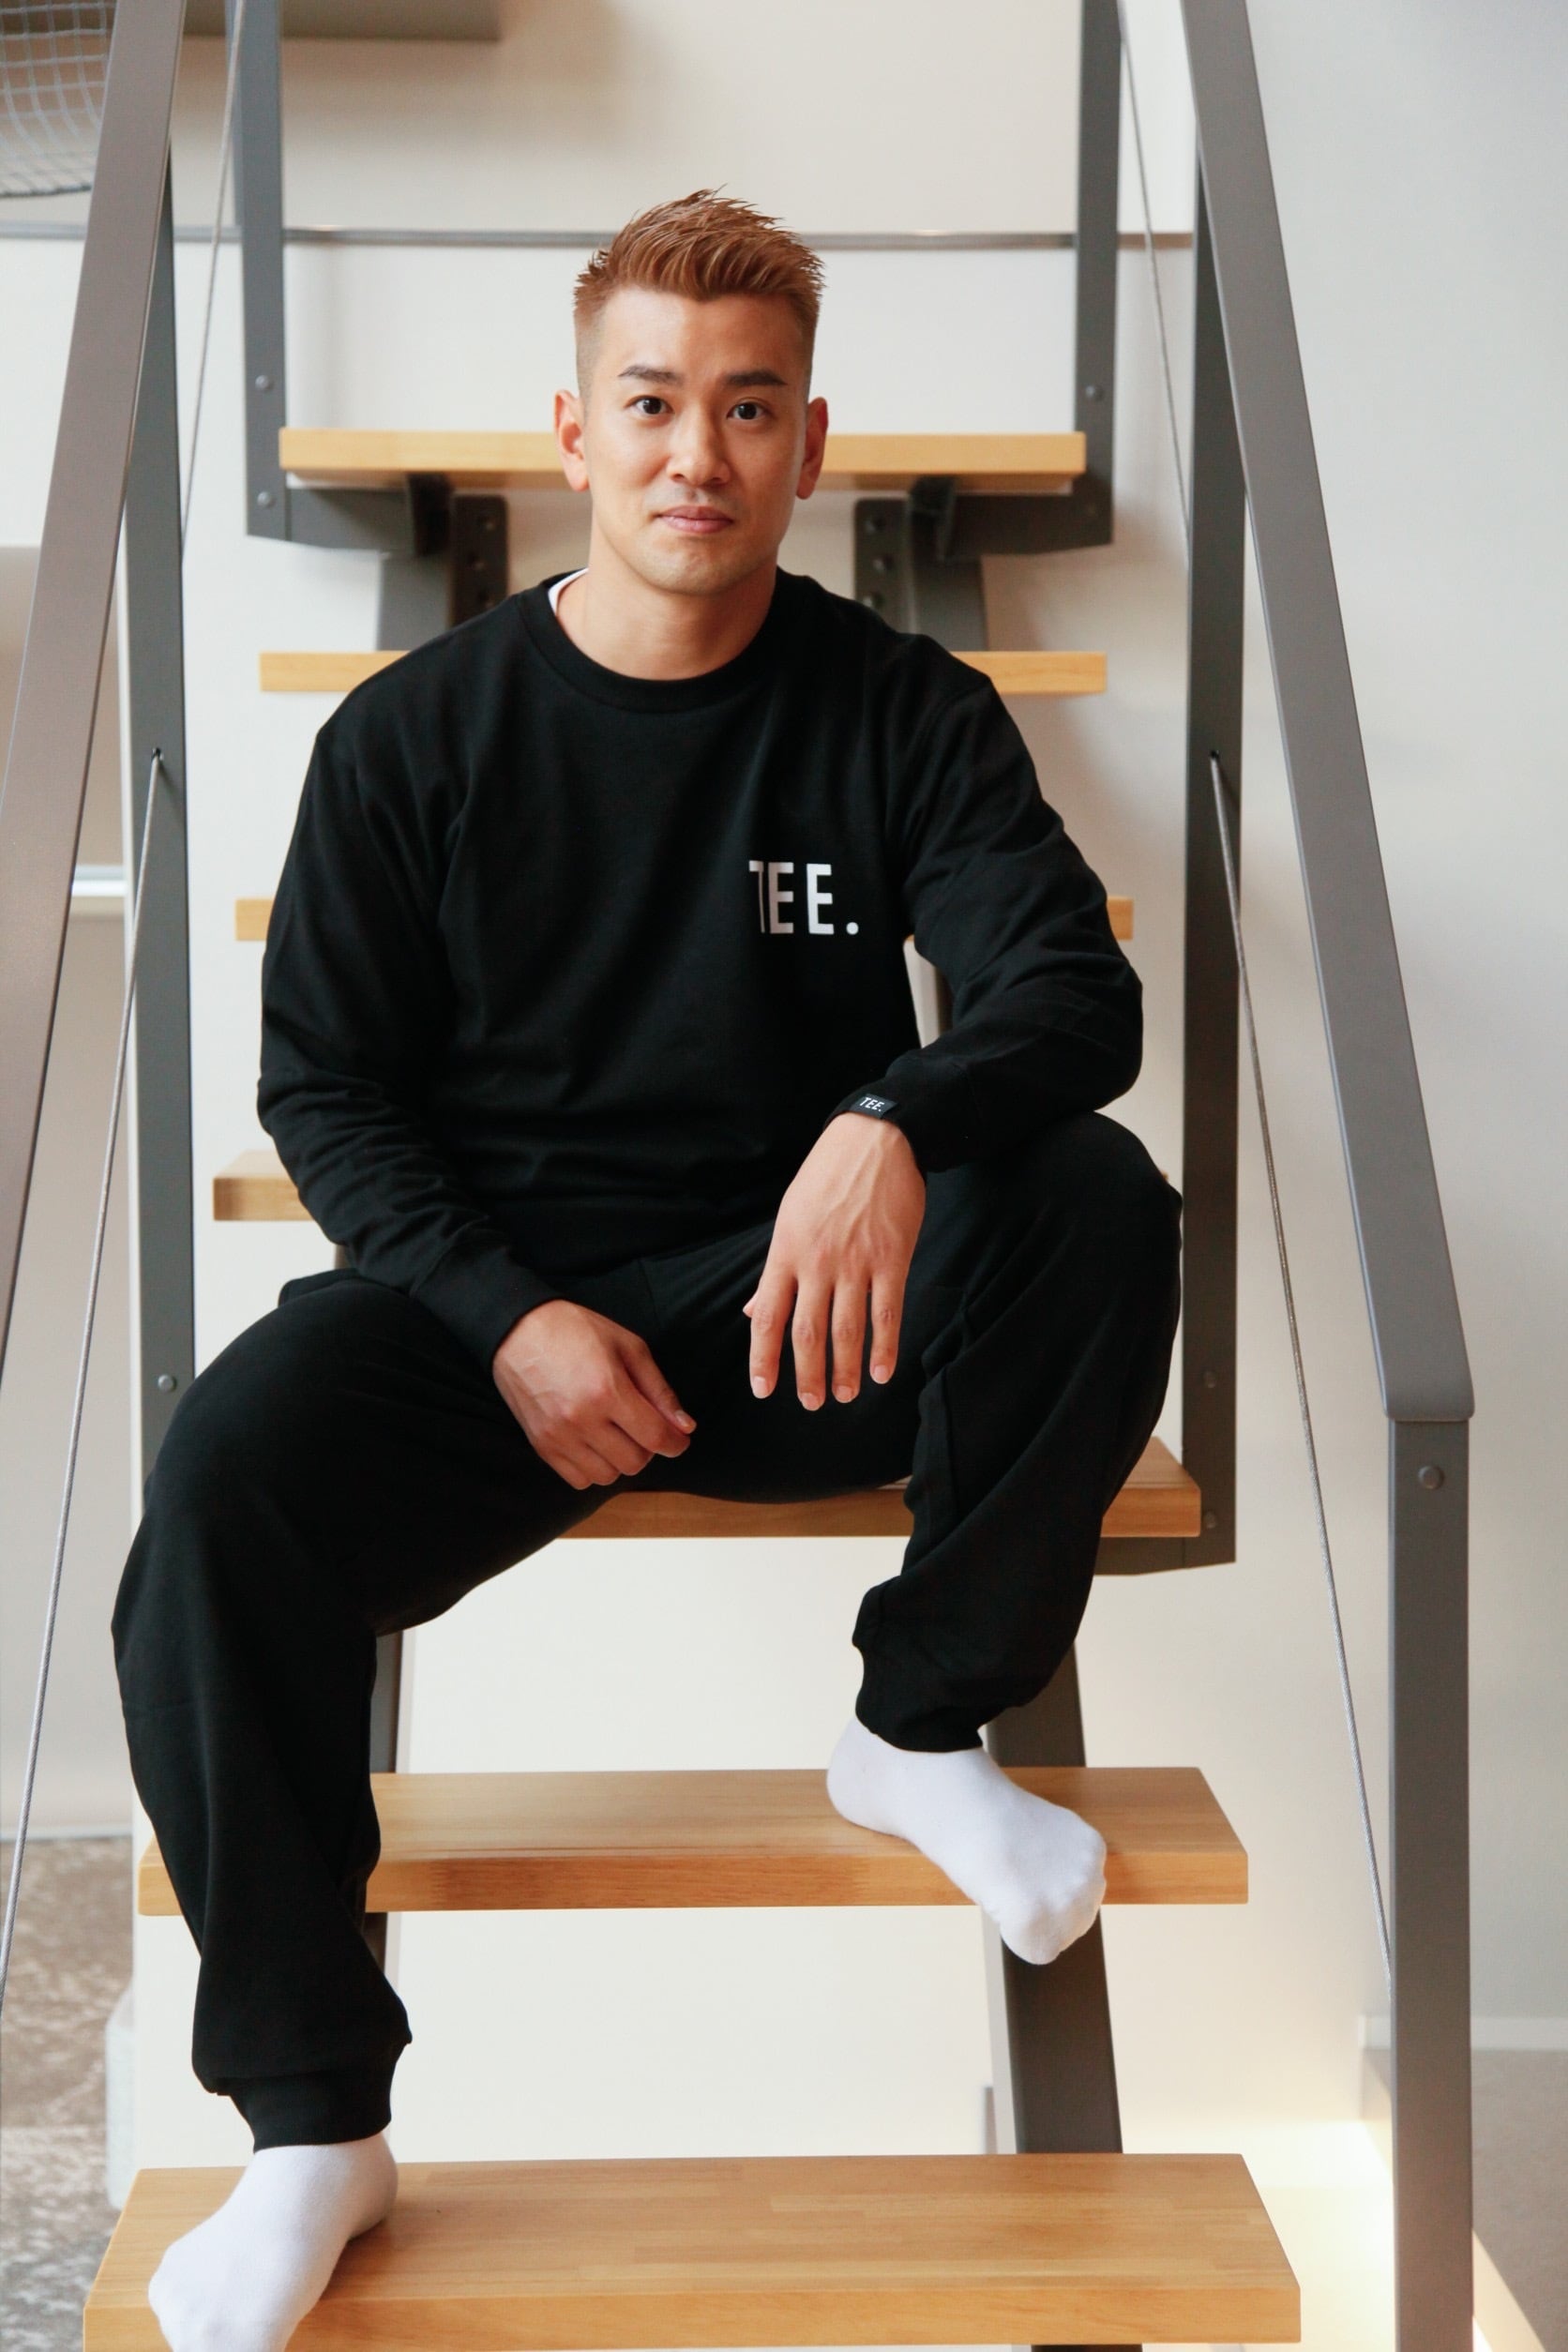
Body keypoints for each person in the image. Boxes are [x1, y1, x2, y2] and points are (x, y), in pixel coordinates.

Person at [113, 190, 1181, 2352]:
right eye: (654, 403)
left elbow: (1070, 994)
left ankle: (915, 1728)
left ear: (808, 445)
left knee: (1085, 1195)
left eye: (750, 408)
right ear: (573, 434)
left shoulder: (896, 710)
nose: (700, 452)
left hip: (800, 1318)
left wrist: (886, 1119)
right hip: (501, 1324)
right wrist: (501, 1315)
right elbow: (327, 1094)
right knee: (224, 1484)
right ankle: (313, 2124)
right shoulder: (412, 738)